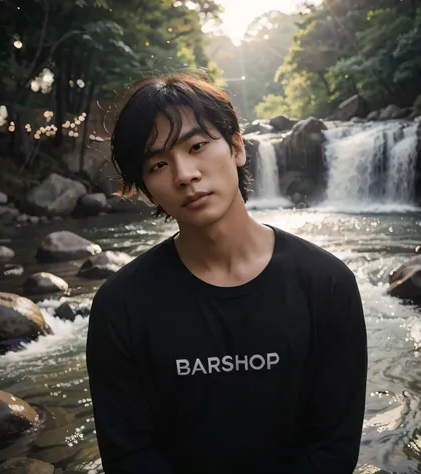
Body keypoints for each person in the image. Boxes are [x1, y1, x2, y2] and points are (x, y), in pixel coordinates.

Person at [86, 72, 368, 474]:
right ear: (147, 190)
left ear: (236, 146)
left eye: (197, 146)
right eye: (158, 164)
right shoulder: (121, 306)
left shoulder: (327, 284)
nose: (184, 174)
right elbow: (130, 455)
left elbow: (332, 446)